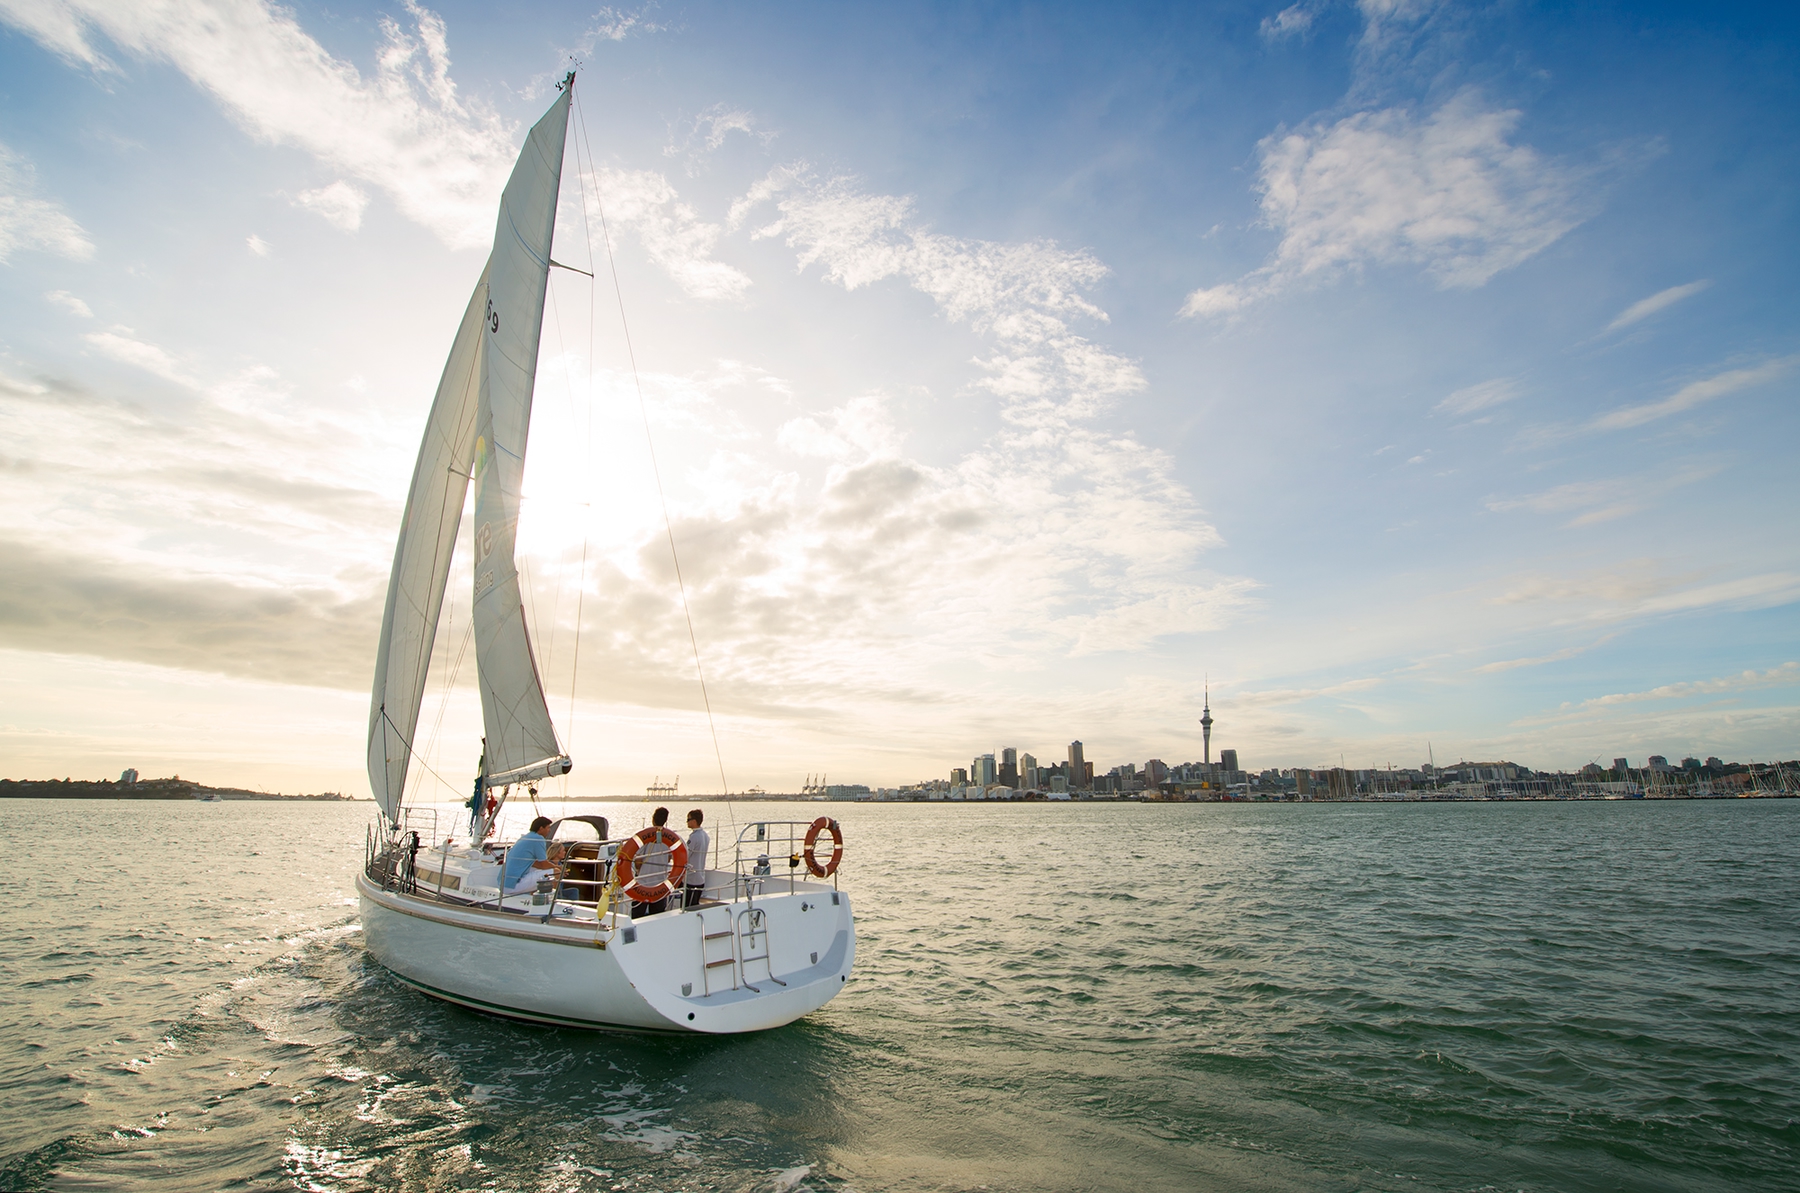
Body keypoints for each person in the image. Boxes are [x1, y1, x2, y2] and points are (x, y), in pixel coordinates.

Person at [502, 816, 565, 896]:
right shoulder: (538, 839)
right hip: (514, 885)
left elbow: (535, 864)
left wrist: (557, 867)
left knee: (544, 872)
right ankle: (552, 902)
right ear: (541, 828)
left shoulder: (525, 837)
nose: (549, 831)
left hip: (504, 884)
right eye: (548, 828)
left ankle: (533, 898)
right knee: (556, 873)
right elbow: (543, 864)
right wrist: (559, 869)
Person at [629, 807, 673, 919]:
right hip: (660, 885)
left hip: (643, 884)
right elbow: (669, 858)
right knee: (657, 917)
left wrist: (637, 868)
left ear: (653, 819)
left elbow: (638, 861)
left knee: (637, 917)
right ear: (665, 820)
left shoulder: (646, 837)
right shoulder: (670, 838)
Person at [682, 808, 710, 908]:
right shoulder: (705, 835)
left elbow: (685, 854)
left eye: (688, 819)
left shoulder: (694, 837)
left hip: (692, 879)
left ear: (694, 821)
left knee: (687, 907)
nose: (687, 822)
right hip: (700, 877)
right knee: (695, 905)